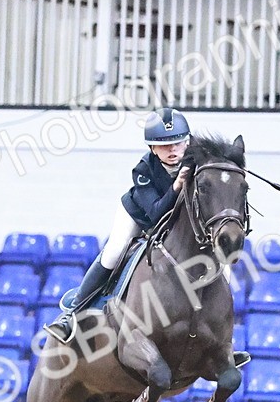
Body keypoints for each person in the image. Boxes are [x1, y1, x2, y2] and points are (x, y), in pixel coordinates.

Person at [44, 107, 194, 343]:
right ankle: (71, 313)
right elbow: (156, 213)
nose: (173, 150)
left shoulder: (198, 160)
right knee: (113, 252)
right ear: (152, 148)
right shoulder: (144, 170)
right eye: (165, 145)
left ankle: (223, 338)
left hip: (178, 223)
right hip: (140, 216)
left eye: (177, 143)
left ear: (188, 142)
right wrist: (176, 187)